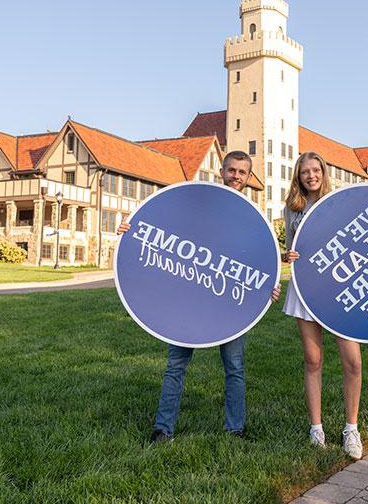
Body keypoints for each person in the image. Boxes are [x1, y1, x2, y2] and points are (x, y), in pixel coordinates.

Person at [116, 151, 280, 443]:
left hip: (230, 305)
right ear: (221, 171)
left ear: (248, 176)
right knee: (175, 365)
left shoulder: (251, 217)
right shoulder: (202, 201)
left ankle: (235, 429)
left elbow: (256, 259)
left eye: (242, 172)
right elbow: (172, 227)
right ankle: (163, 429)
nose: (236, 177)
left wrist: (267, 289)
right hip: (189, 299)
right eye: (232, 170)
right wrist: (133, 229)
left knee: (235, 367)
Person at [282, 152, 368, 460]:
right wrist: (286, 257)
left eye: (315, 170)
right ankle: (316, 428)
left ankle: (351, 429)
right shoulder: (292, 210)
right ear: (298, 176)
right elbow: (291, 250)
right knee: (312, 359)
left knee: (353, 362)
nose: (311, 176)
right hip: (308, 290)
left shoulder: (341, 201)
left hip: (344, 290)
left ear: (323, 172)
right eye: (304, 171)